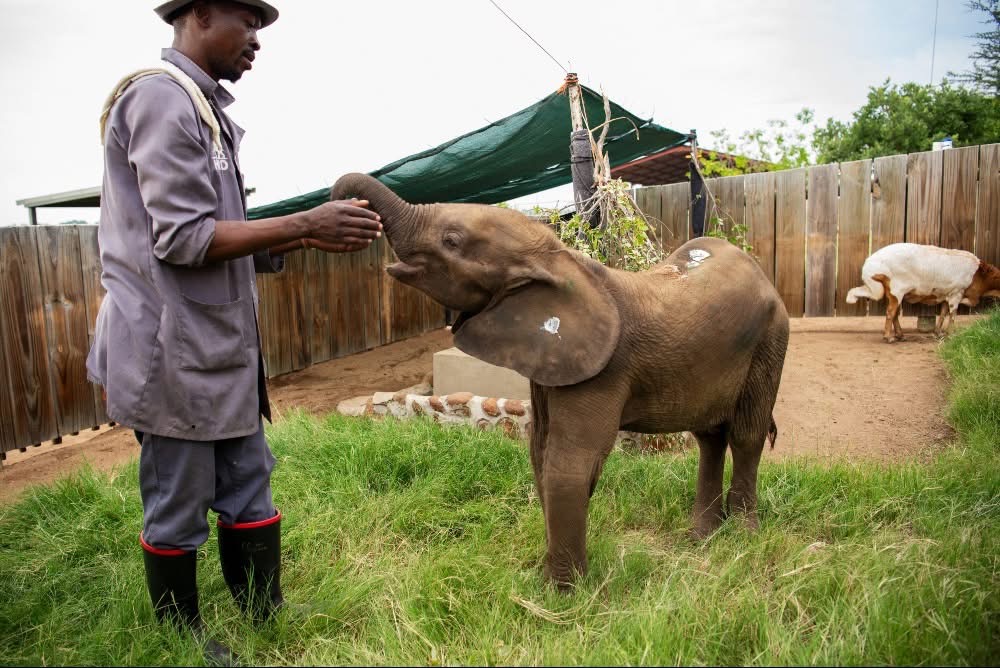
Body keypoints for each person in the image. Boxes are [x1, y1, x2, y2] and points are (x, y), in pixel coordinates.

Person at [87, 1, 382, 662]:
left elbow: (214, 230)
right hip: (170, 349)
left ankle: (262, 613)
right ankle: (179, 636)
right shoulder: (161, 100)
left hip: (217, 346)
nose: (256, 39)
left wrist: (294, 241)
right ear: (200, 14)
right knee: (180, 500)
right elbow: (183, 236)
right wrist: (304, 224)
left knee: (249, 480)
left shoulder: (204, 108)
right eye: (246, 22)